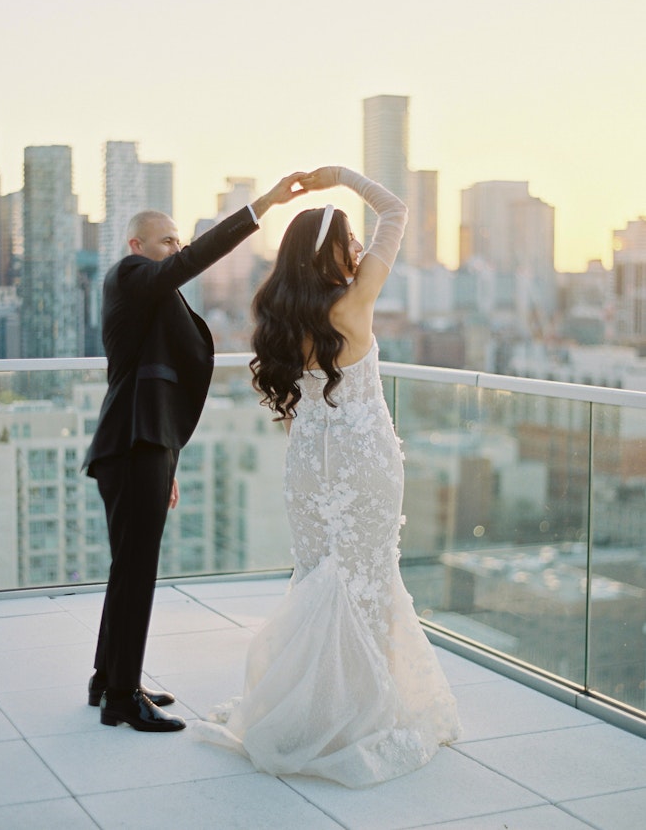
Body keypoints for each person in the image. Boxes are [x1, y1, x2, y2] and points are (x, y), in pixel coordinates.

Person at [195, 166, 460, 784]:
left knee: (320, 579)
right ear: (335, 253)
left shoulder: (281, 317)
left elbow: (294, 411)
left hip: (309, 462)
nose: (360, 249)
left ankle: (314, 707)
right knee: (366, 580)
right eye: (349, 243)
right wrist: (338, 178)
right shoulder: (355, 299)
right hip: (363, 459)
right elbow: (395, 209)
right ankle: (358, 716)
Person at [83, 173, 308, 732]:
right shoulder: (132, 275)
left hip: (143, 444)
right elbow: (186, 268)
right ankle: (120, 700)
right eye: (167, 241)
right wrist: (263, 206)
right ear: (137, 247)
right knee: (137, 571)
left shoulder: (152, 296)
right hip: (134, 443)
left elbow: (160, 386)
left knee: (127, 568)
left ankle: (110, 680)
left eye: (179, 240)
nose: (177, 249)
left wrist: (169, 461)